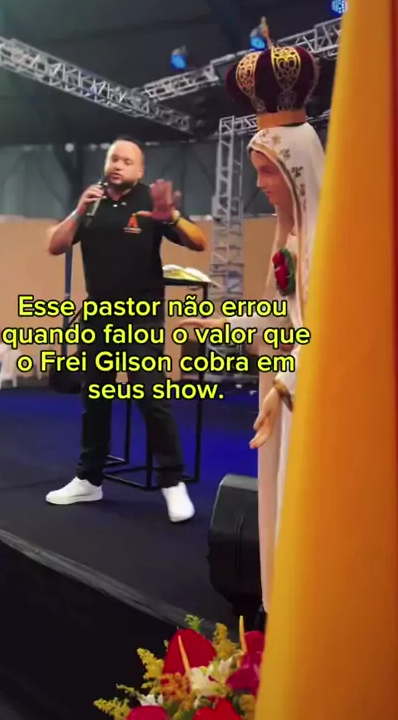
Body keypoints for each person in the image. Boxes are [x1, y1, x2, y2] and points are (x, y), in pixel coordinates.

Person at [180, 33, 325, 623]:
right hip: (285, 399)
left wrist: (284, 385)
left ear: (296, 170)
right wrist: (223, 321)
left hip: (307, 405)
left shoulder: (328, 243)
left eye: (267, 172)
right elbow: (283, 317)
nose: (260, 184)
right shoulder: (291, 234)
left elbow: (329, 339)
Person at [45, 137, 207, 522]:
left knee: (151, 396)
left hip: (141, 316)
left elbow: (200, 243)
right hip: (98, 316)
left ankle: (172, 481)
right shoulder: (92, 202)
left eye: (127, 161)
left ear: (140, 170)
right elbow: (55, 245)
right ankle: (89, 479)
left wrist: (172, 218)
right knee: (95, 399)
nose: (118, 164)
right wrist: (78, 210)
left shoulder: (152, 200)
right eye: (113, 158)